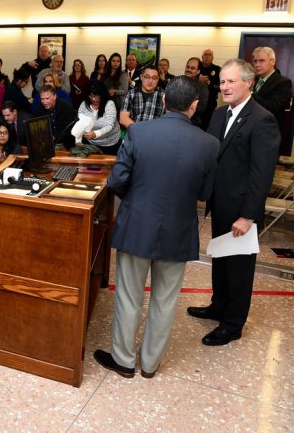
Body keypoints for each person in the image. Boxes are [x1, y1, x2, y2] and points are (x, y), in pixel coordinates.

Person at [93, 76, 219, 379]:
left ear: (163, 101)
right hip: (178, 232)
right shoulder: (210, 144)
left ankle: (123, 360)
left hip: (137, 226)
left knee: (128, 296)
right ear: (194, 106)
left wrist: (138, 201)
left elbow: (117, 181)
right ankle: (150, 363)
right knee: (165, 300)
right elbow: (204, 193)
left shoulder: (138, 131)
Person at [187, 59, 280, 346]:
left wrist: (248, 216)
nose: (224, 86)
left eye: (230, 81)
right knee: (221, 258)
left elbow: (261, 174)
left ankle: (232, 323)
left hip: (241, 210)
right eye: (222, 82)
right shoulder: (219, 114)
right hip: (220, 203)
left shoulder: (262, 119)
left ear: (248, 83)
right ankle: (218, 305)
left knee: (239, 269)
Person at [251, 46, 293, 124]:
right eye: (255, 61)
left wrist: (250, 93)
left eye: (261, 61)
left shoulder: (283, 82)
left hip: (266, 128)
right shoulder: (252, 79)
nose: (257, 64)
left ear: (272, 62)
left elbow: (272, 108)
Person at [77, 81, 120, 155]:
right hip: (91, 143)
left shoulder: (109, 104)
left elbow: (109, 125)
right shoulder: (84, 105)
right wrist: (78, 139)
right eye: (91, 96)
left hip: (109, 143)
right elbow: (80, 123)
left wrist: (95, 134)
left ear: (102, 94)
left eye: (96, 96)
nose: (94, 99)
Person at [120, 66, 165, 132]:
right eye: (147, 77)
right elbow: (123, 119)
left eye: (154, 78)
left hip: (155, 135)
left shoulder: (164, 96)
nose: (150, 81)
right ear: (141, 77)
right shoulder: (131, 94)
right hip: (134, 135)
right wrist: (141, 132)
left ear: (158, 79)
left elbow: (169, 120)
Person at [32, 84, 77, 149]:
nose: (44, 102)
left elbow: (69, 129)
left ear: (55, 96)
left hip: (66, 143)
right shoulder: (38, 110)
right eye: (42, 99)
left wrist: (54, 137)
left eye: (47, 98)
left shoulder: (66, 107)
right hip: (47, 143)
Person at [198, 49, 222, 131]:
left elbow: (220, 87)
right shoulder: (197, 68)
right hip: (196, 102)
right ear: (202, 57)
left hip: (210, 103)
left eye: (209, 55)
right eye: (205, 54)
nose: (207, 56)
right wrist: (197, 79)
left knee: (207, 126)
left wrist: (208, 82)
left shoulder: (217, 69)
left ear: (212, 57)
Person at [184, 57, 209, 127]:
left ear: (198, 71)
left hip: (192, 124)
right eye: (187, 67)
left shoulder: (202, 87)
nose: (189, 70)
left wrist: (182, 102)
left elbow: (201, 108)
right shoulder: (177, 82)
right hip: (175, 121)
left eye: (192, 68)